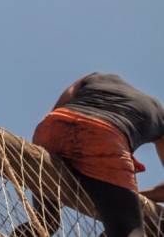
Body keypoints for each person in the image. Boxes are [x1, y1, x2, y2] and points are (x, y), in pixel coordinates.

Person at [12, 72, 164, 237]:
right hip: (104, 138)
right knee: (131, 232)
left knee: (46, 221)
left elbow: (56, 110)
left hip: (53, 128)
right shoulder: (159, 114)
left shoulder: (95, 77)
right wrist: (126, 199)